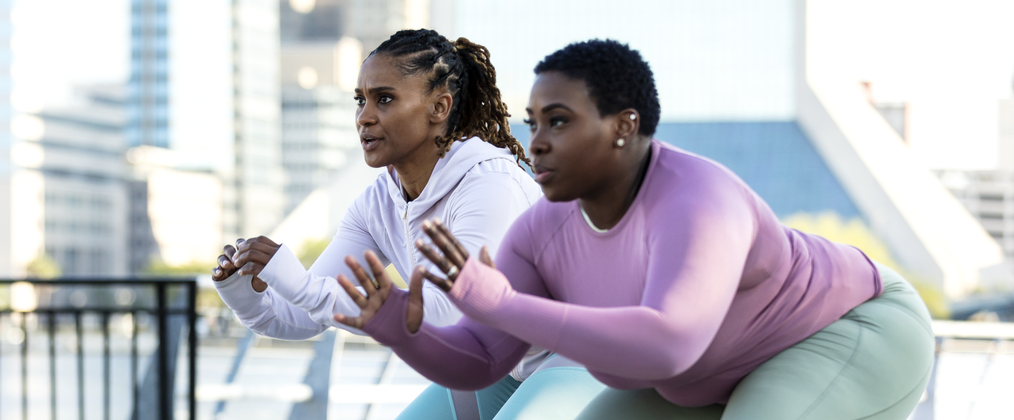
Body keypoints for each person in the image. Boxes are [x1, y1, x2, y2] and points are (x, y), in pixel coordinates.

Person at [336, 39, 934, 419]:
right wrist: (399, 330)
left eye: (561, 122)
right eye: (534, 122)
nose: (537, 142)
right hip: (702, 375)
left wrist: (504, 303)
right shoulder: (544, 229)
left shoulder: (699, 200)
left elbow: (667, 340)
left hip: (840, 334)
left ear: (624, 126)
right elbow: (482, 359)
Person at [210, 29, 606, 419]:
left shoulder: (490, 186)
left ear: (439, 108)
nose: (364, 118)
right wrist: (243, 289)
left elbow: (453, 315)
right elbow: (300, 316)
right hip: (500, 360)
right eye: (360, 100)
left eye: (384, 99)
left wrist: (298, 282)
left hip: (578, 354)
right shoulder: (378, 203)